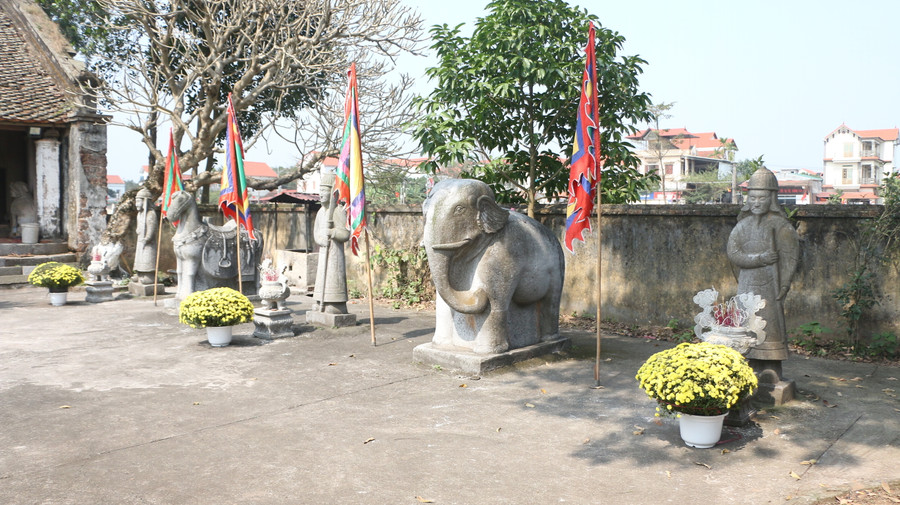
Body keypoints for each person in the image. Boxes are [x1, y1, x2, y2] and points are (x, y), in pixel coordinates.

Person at [727, 167, 799, 384]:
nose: (756, 202)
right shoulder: (742, 226)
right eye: (753, 197)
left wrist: (784, 284)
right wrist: (760, 259)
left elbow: (790, 256)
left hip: (770, 287)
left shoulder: (781, 226)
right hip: (747, 285)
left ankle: (771, 368)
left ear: (772, 199)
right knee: (746, 325)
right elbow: (733, 253)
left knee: (769, 324)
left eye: (762, 198)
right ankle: (748, 365)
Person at [312, 174, 350, 314]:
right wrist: (320, 240)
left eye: (324, 190)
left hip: (334, 254)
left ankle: (335, 303)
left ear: (332, 192)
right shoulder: (321, 212)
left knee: (333, 278)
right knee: (321, 278)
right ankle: (319, 300)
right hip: (323, 251)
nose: (321, 194)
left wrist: (332, 232)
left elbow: (345, 234)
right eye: (320, 190)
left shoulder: (337, 211)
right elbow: (316, 232)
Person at [132, 188, 158, 283]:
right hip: (140, 240)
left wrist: (147, 238)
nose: (136, 204)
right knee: (139, 258)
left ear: (145, 201)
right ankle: (139, 274)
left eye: (139, 201)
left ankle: (148, 276)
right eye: (136, 201)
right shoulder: (140, 214)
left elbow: (151, 228)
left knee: (147, 258)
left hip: (148, 242)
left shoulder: (151, 214)